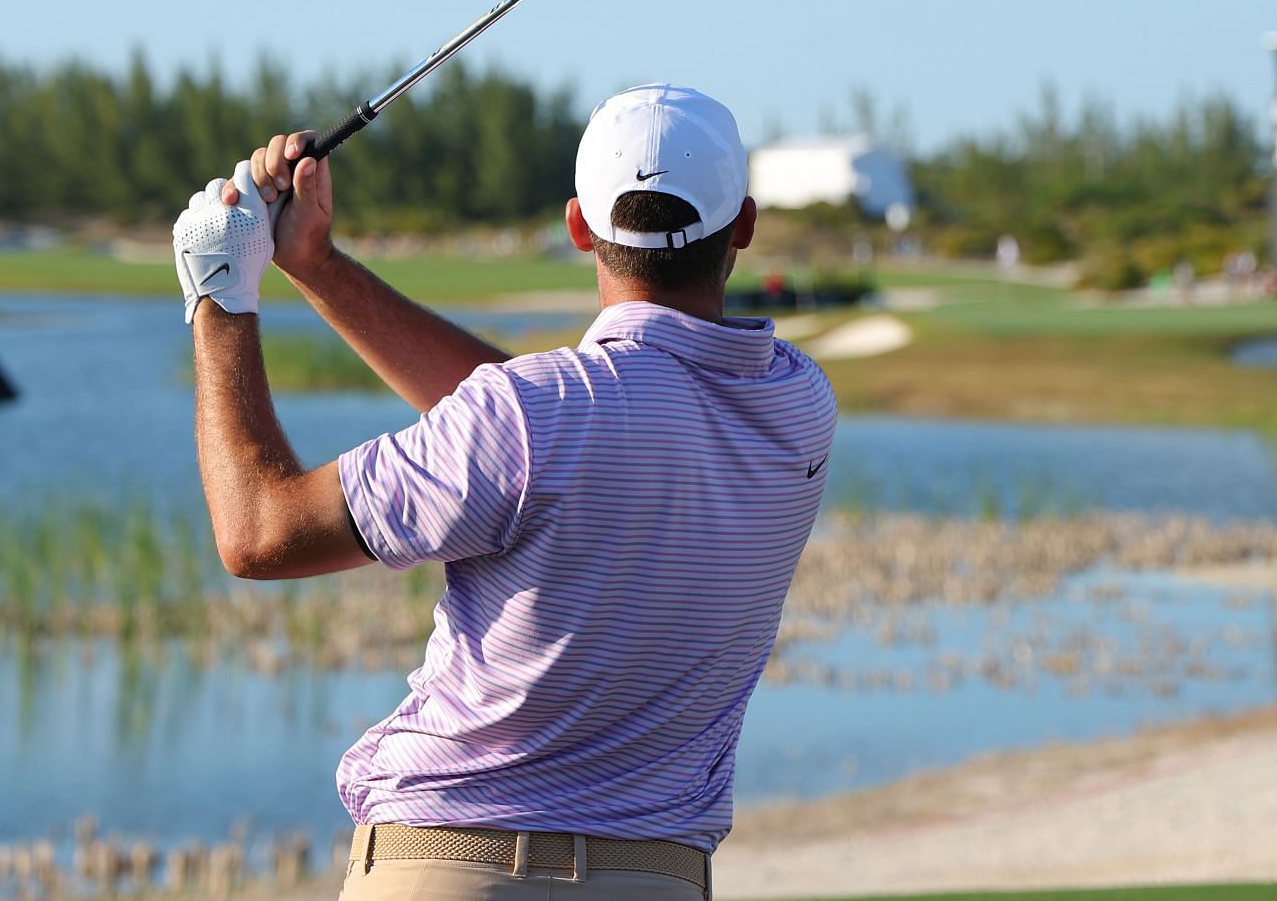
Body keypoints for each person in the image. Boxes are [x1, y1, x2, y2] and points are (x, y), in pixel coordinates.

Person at [170, 83, 836, 900]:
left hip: (450, 869)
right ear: (744, 225)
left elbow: (259, 533)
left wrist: (220, 291)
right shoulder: (800, 403)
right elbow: (532, 424)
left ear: (578, 226)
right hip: (655, 880)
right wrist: (318, 268)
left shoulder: (535, 417)